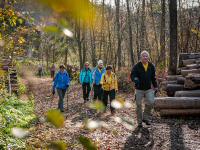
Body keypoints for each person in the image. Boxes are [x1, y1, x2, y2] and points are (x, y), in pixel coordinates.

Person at [130, 50, 158, 128]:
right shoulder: (137, 66)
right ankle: (139, 122)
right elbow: (132, 75)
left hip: (148, 88)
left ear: (148, 57)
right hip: (139, 89)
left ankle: (145, 118)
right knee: (138, 105)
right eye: (143, 56)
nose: (145, 57)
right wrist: (135, 79)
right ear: (141, 57)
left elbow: (153, 77)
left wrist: (155, 86)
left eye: (146, 56)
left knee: (151, 102)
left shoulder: (151, 66)